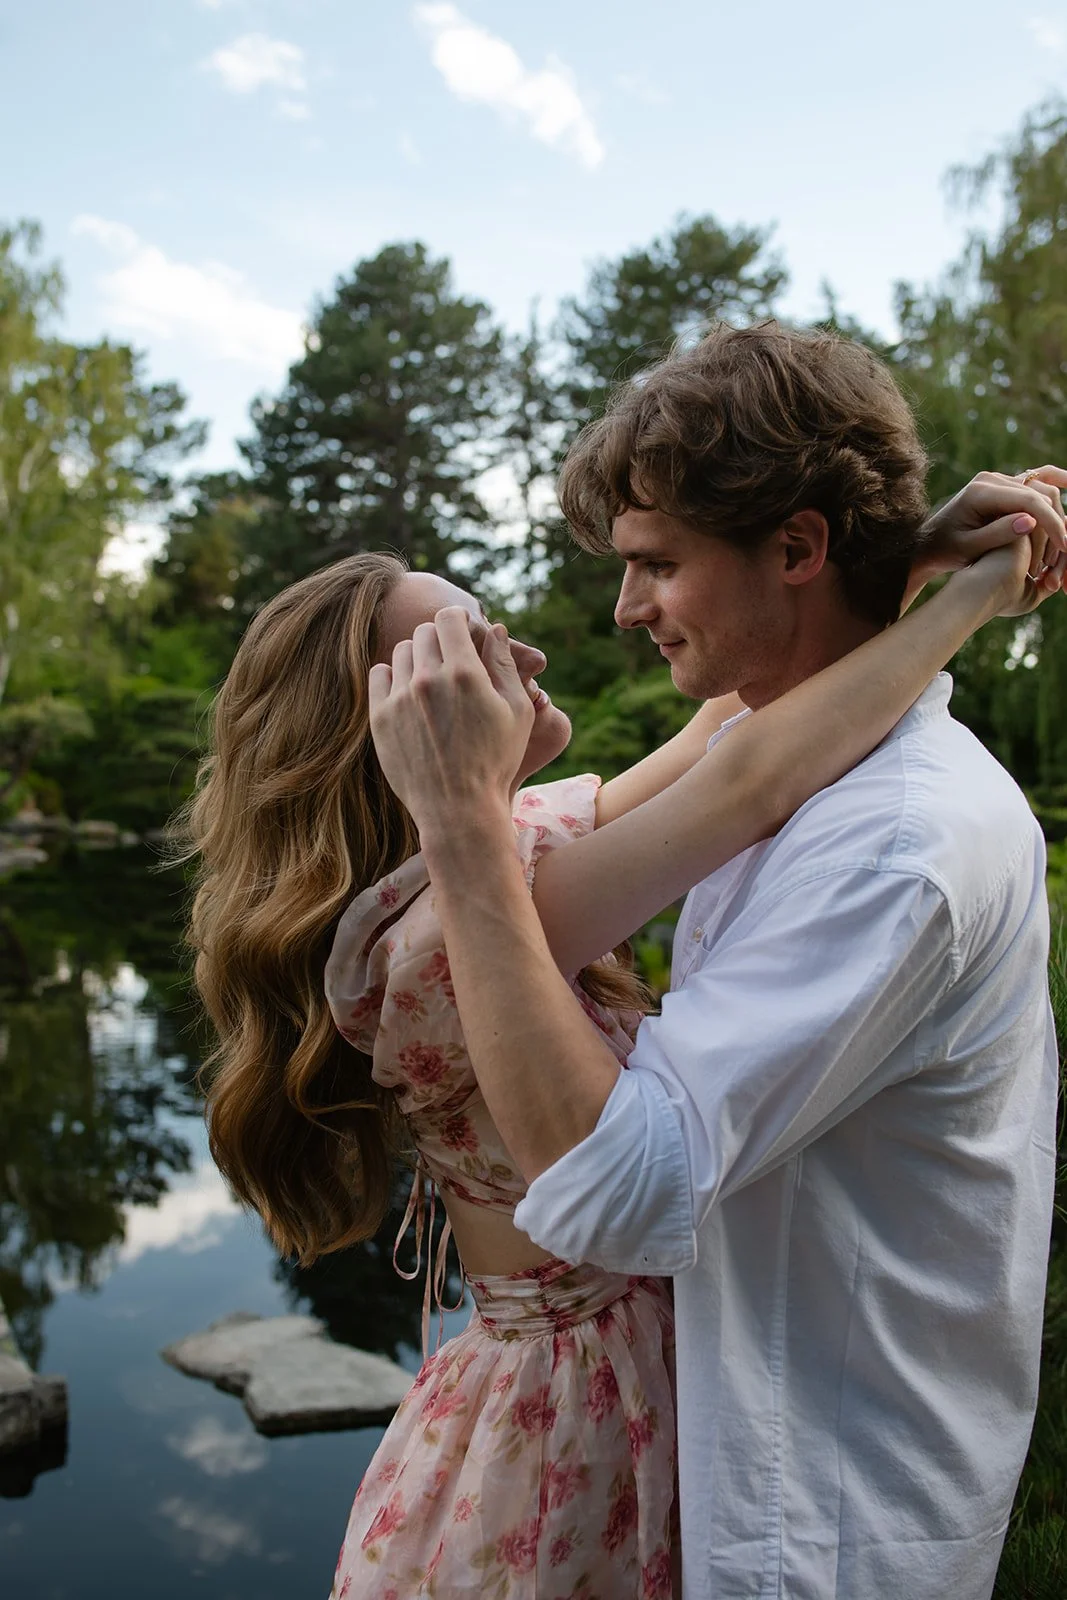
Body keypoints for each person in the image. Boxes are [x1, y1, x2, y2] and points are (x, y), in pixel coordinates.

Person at [365, 322, 1066, 1600]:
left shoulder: (891, 841)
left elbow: (618, 1187)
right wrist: (922, 577)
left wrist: (464, 824)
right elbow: (734, 750)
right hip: (720, 1477)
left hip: (819, 1526)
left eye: (655, 565)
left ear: (794, 548)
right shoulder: (792, 768)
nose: (622, 607)